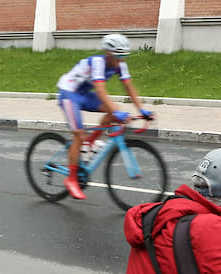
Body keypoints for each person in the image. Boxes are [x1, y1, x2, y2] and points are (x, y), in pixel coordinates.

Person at [56, 33, 154, 200]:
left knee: (113, 110)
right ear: (108, 53)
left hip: (83, 93)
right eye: (118, 56)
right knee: (79, 135)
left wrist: (141, 109)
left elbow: (129, 88)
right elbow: (101, 91)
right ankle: (71, 179)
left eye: (124, 56)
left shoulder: (120, 64)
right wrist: (117, 113)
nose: (121, 60)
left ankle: (91, 142)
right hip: (69, 93)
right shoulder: (98, 63)